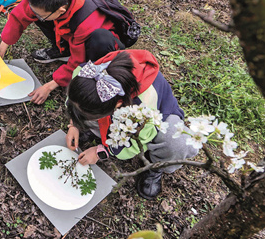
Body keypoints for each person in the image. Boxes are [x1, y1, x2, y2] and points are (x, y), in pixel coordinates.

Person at [65, 50, 197, 200]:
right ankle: (97, 130)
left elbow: (134, 142)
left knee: (177, 143)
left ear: (118, 105)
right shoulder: (90, 75)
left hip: (157, 118)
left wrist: (100, 152)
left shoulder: (143, 107)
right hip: (116, 109)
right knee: (86, 109)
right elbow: (74, 100)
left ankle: (156, 167)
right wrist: (74, 124)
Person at [0, 0, 126, 104]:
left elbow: (77, 61)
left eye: (40, 15)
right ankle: (63, 50)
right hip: (71, 31)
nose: (35, 15)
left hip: (102, 44)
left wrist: (50, 86)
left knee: (98, 42)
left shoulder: (86, 22)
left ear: (61, 11)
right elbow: (21, 14)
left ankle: (93, 76)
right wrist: (4, 44)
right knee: (40, 14)